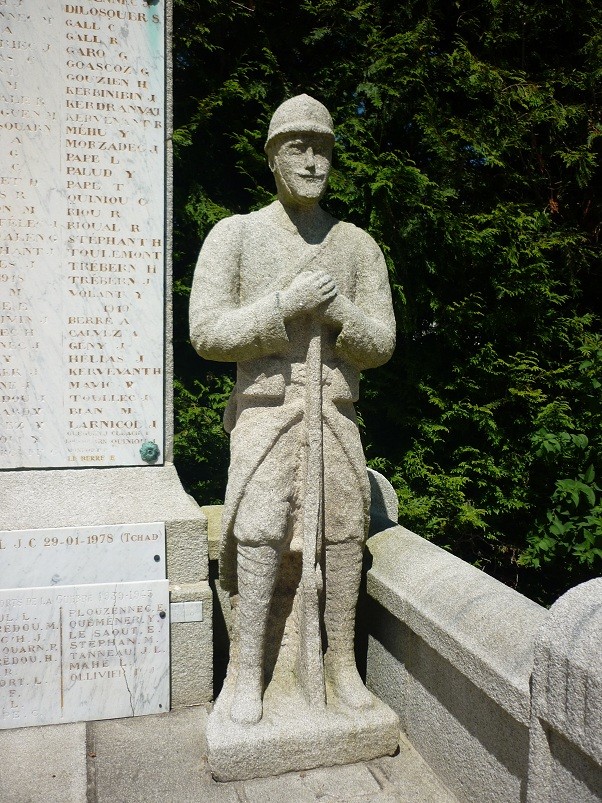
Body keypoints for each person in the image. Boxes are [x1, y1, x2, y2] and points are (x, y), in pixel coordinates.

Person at [190, 95, 396, 726]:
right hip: (266, 416)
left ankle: (340, 666)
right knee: (256, 533)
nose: (312, 162)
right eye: (297, 148)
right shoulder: (238, 235)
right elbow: (207, 333)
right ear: (273, 156)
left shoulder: (357, 246)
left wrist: (338, 315)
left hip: (333, 417)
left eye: (322, 148)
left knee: (341, 534)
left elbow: (383, 342)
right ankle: (246, 671)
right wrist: (283, 305)